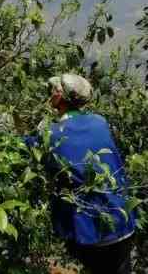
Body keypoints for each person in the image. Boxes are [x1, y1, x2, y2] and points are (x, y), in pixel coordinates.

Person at [22, 74, 136, 274]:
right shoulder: (100, 121)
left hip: (91, 231)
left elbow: (25, 148)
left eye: (53, 90)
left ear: (59, 95)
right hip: (123, 221)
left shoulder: (51, 132)